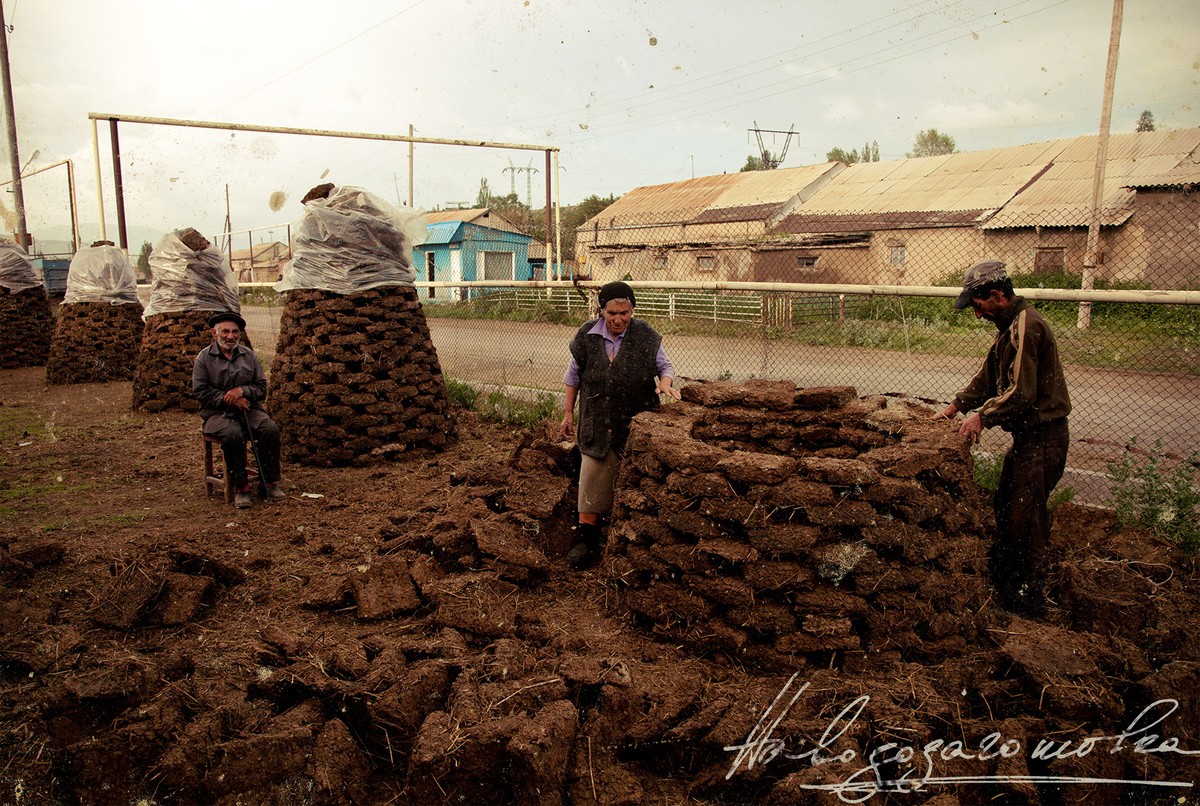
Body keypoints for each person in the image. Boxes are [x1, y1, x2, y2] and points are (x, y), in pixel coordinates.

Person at [933, 260, 1071, 615]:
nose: (977, 315)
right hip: (1029, 441)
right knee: (1007, 507)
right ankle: (1006, 584)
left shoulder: (1027, 327)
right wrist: (957, 406)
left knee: (1026, 519)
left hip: (1043, 439)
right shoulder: (1009, 326)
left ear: (995, 295)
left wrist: (983, 416)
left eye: (978, 307)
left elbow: (1021, 394)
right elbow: (988, 374)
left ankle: (1028, 599)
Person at [559, 281, 681, 569]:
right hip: (596, 421)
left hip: (635, 421)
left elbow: (665, 366)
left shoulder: (645, 335)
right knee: (591, 476)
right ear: (601, 311)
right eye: (612, 313)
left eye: (624, 313)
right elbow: (573, 376)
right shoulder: (587, 336)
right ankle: (586, 538)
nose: (618, 319)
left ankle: (630, 537)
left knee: (636, 478)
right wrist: (567, 413)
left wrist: (665, 383)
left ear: (632, 310)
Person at [192, 311, 285, 508]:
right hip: (217, 413)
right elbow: (200, 392)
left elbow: (261, 388)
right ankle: (240, 487)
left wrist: (242, 391)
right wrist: (230, 399)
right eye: (225, 331)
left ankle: (268, 482)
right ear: (214, 333)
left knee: (270, 429)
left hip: (248, 409)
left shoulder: (248, 355)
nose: (230, 336)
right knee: (232, 434)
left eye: (235, 332)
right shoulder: (204, 358)